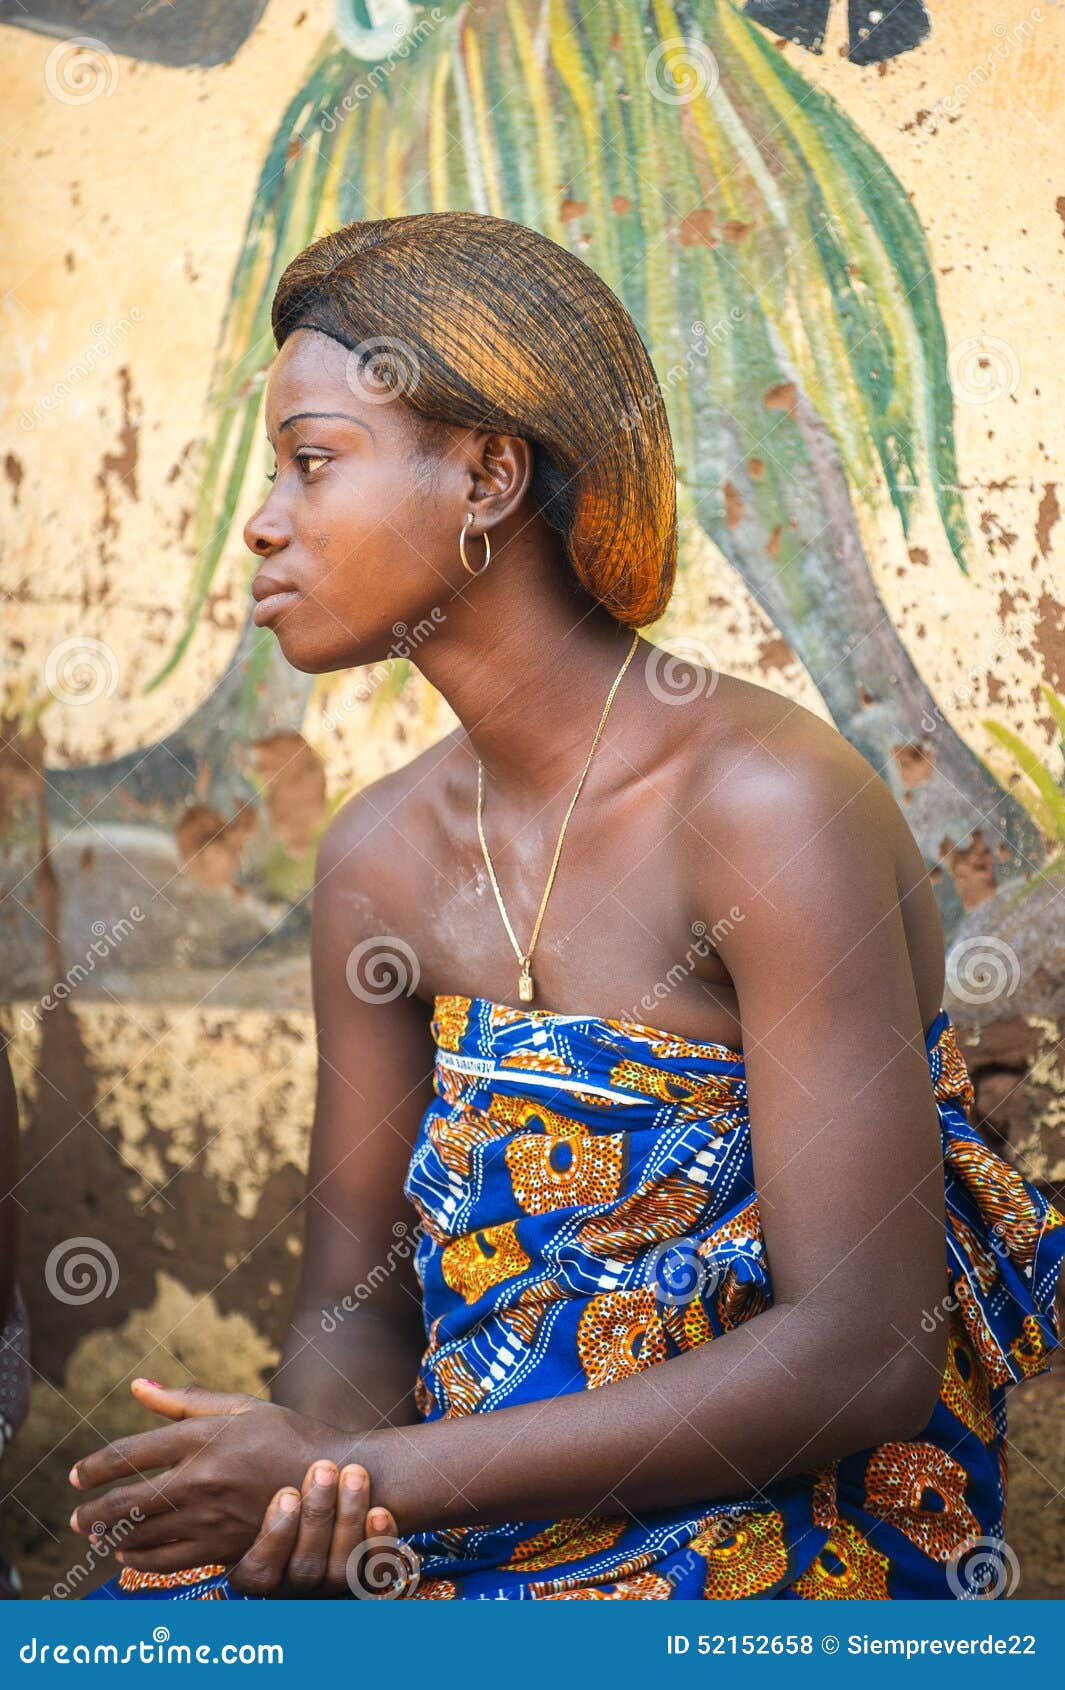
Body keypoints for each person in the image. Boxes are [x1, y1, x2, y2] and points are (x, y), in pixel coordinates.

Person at [75, 212, 1064, 1601]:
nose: (264, 519)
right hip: (452, 1525)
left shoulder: (770, 805)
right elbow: (350, 1310)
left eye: (312, 463)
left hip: (767, 1542)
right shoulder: (376, 859)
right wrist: (327, 1491)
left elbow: (865, 1351)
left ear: (485, 475)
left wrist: (386, 1480)